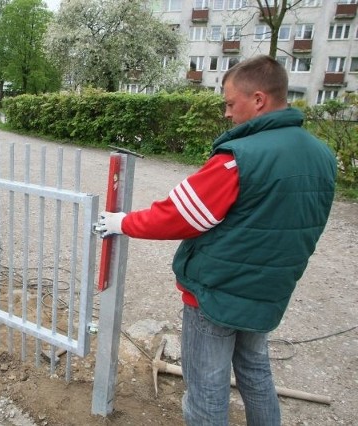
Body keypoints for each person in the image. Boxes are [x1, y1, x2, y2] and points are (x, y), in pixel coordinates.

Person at [96, 55, 337, 425]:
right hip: (269, 292)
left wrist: (122, 221)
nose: (226, 113)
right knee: (256, 374)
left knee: (207, 389)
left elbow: (178, 215)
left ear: (258, 100)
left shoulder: (239, 159)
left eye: (229, 103)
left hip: (217, 294)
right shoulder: (322, 156)